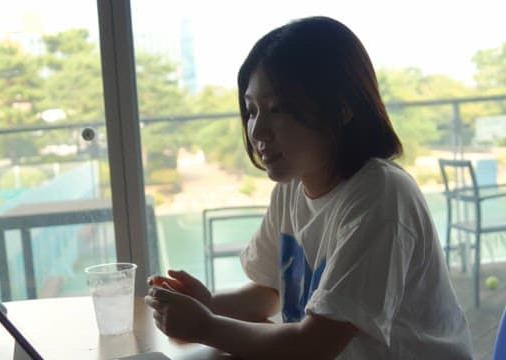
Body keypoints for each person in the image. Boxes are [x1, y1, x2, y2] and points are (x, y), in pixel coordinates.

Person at [145, 16, 473, 359]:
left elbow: (315, 346)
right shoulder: (292, 187)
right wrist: (207, 305)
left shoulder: (381, 197)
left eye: (278, 108)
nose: (257, 132)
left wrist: (204, 325)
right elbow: (270, 290)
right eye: (251, 110)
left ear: (342, 107)